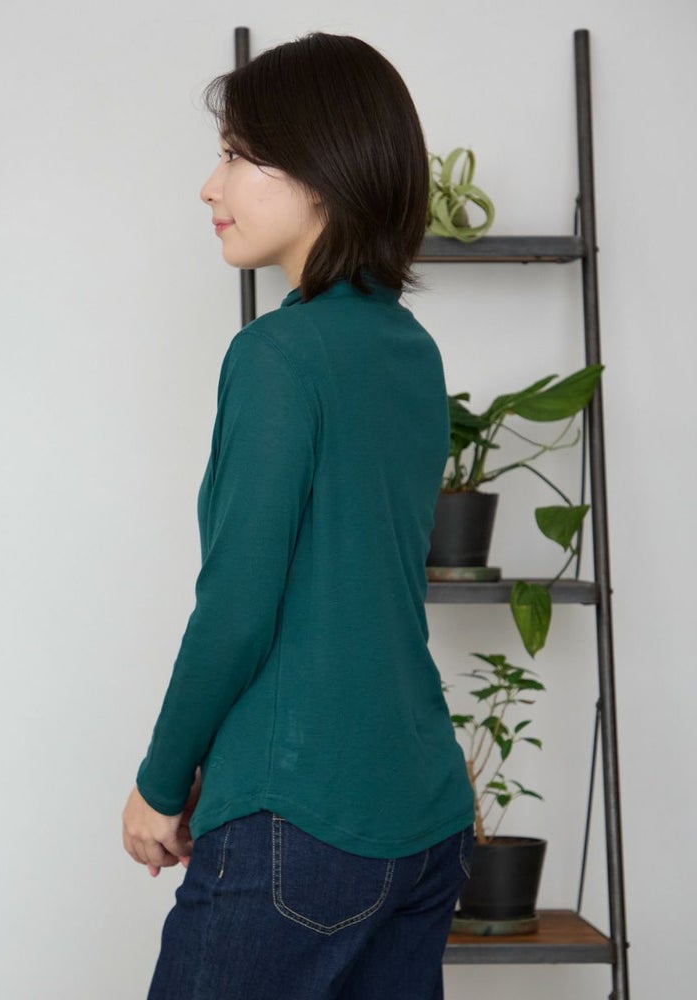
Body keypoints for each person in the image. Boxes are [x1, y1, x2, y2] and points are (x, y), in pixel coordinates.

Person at [122, 32, 474, 1000]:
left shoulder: (276, 354)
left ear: (323, 170)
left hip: (301, 821)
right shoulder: (411, 350)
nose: (211, 185)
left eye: (238, 155)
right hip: (424, 817)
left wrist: (160, 781)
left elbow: (239, 605)